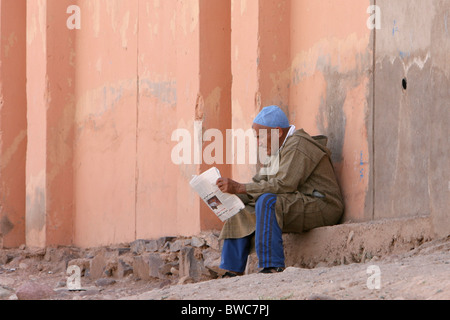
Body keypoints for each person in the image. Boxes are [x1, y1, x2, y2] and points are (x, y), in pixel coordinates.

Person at [216, 105, 344, 276]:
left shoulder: (298, 145)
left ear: (277, 132)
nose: (259, 142)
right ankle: (231, 270)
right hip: (297, 203)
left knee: (268, 201)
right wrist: (228, 195)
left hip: (322, 205)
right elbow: (257, 184)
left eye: (260, 136)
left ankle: (272, 266)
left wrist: (239, 187)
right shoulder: (277, 151)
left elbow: (284, 184)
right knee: (239, 208)